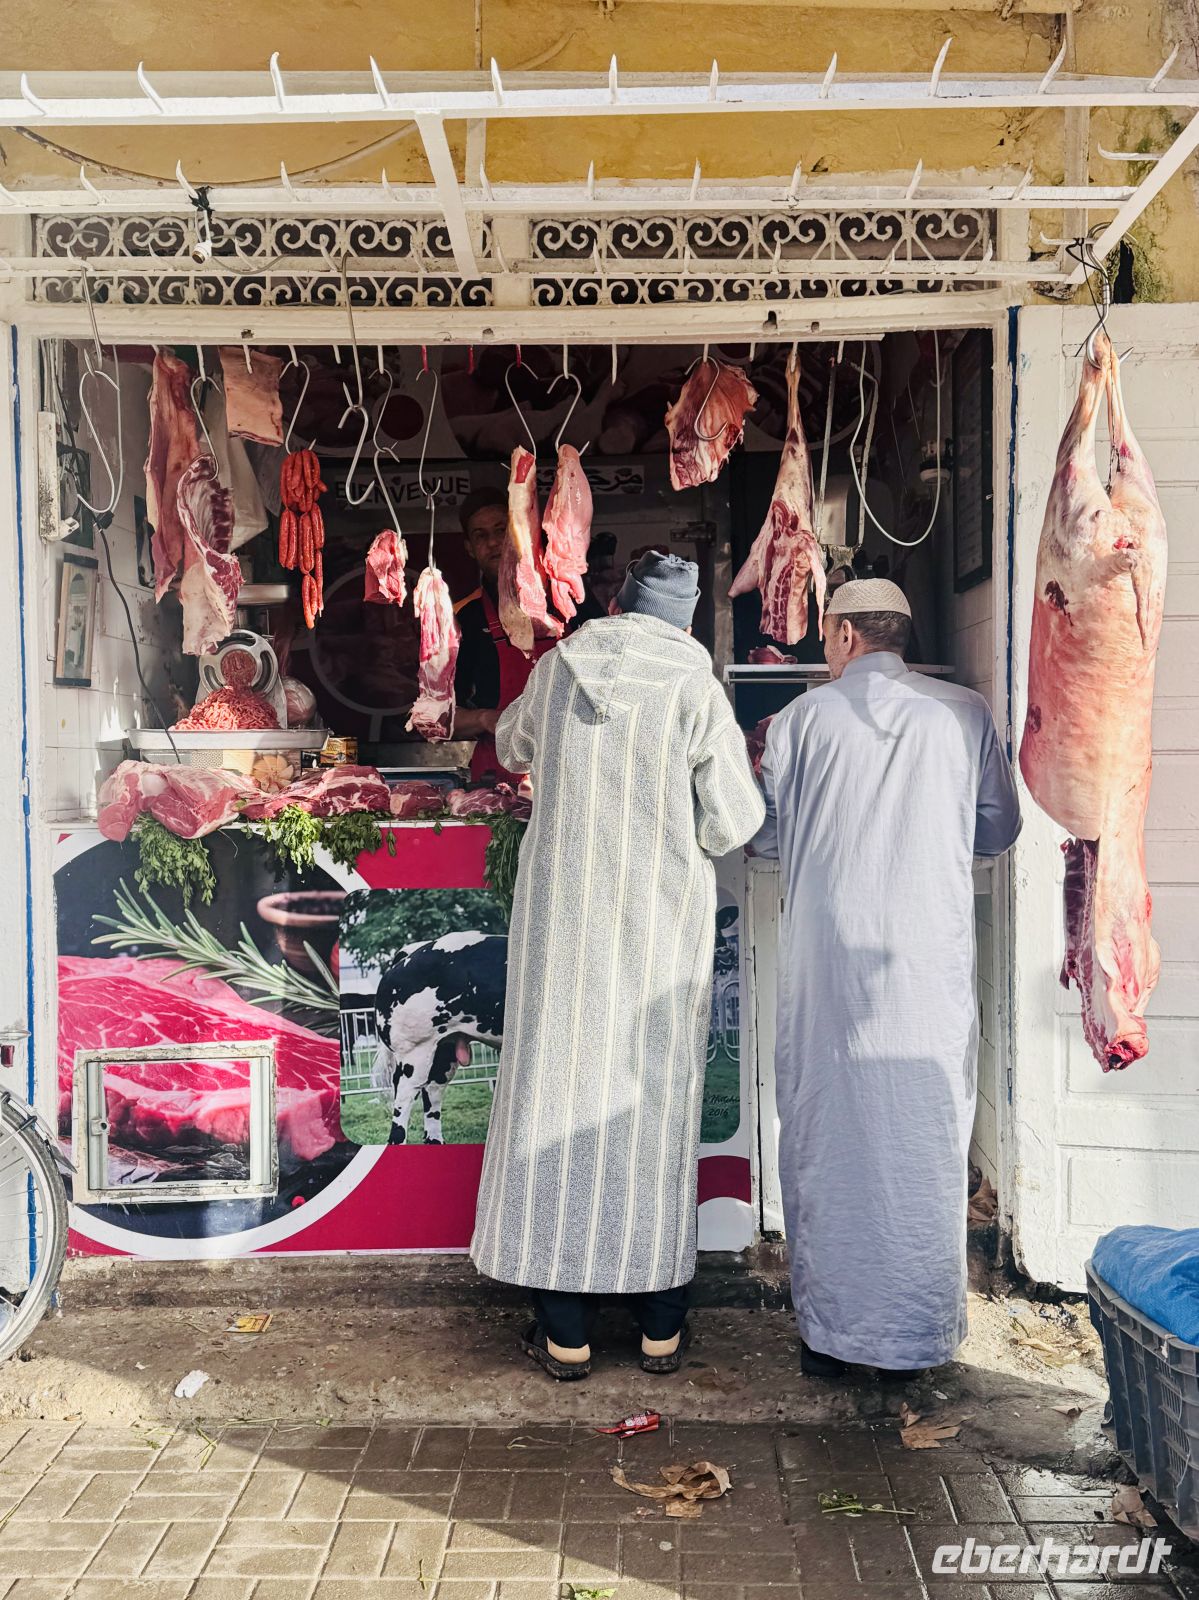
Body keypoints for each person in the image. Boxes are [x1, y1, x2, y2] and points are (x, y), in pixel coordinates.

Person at [471, 551, 765, 1380]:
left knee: (552, 1098)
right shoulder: (693, 688)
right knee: (649, 1106)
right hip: (655, 932)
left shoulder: (561, 667)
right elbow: (733, 822)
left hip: (561, 927)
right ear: (682, 619)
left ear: (617, 604)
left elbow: (511, 746)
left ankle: (563, 1332)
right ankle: (658, 1329)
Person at [753, 578, 1021, 1381]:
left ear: (839, 636)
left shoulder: (801, 719)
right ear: (901, 635)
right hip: (923, 962)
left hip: (827, 960)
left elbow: (762, 837)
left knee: (826, 1133)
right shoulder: (963, 713)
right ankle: (917, 1338)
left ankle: (830, 1337)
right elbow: (998, 828)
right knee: (923, 1133)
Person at [451, 488, 553, 784]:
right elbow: (441, 717)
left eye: (500, 530)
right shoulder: (466, 619)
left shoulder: (566, 601)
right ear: (469, 547)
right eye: (481, 535)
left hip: (568, 764)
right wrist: (485, 718)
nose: (494, 542)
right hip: (500, 780)